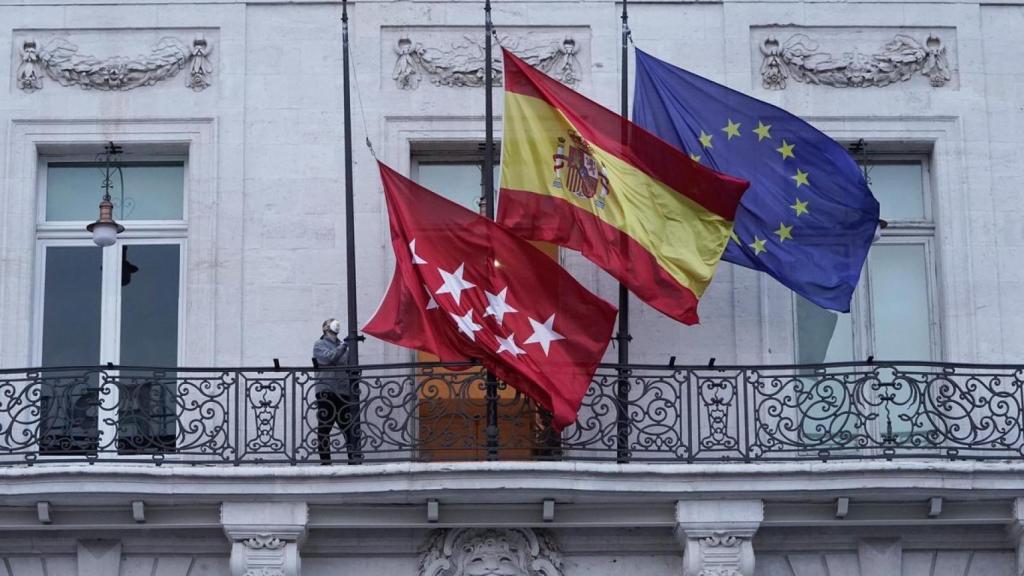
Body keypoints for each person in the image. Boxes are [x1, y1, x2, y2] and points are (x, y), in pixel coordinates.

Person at [313, 318, 361, 464]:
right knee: (325, 427)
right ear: (325, 328)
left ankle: (353, 460)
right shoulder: (319, 344)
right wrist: (344, 345)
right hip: (326, 390)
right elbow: (329, 358)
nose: (335, 324)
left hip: (343, 392)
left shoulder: (342, 345)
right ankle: (326, 462)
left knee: (348, 428)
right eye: (331, 322)